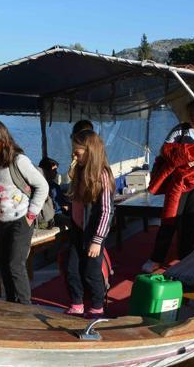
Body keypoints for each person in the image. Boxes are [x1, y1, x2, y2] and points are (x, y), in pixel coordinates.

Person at [142, 102, 194, 273]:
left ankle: (185, 256)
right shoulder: (179, 130)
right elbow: (165, 151)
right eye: (191, 112)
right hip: (178, 183)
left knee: (190, 221)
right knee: (170, 220)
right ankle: (157, 258)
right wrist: (184, 158)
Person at [0, 120, 48, 304]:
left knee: (15, 265)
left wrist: (30, 215)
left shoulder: (19, 161)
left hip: (21, 220)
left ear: (2, 141)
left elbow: (42, 186)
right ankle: (12, 304)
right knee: (2, 264)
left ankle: (26, 308)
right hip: (2, 222)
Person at [64, 129, 115, 318]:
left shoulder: (102, 175)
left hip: (93, 233)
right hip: (78, 229)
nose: (74, 156)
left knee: (91, 271)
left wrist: (97, 240)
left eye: (77, 152)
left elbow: (107, 211)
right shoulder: (79, 170)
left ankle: (97, 306)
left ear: (90, 151)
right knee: (72, 268)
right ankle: (77, 303)